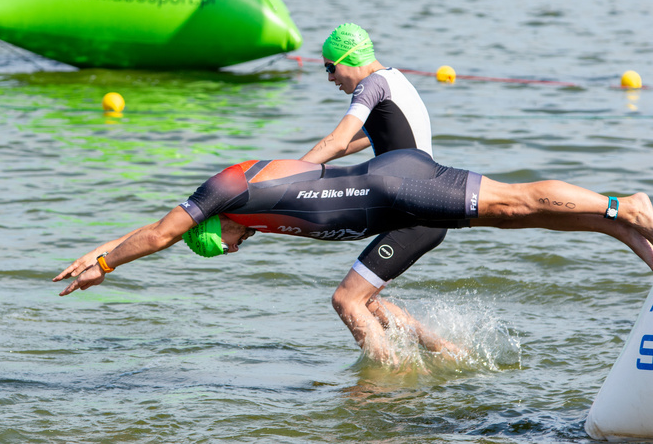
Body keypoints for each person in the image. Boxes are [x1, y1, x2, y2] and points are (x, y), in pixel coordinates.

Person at [54, 148, 653, 362]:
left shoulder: (232, 189)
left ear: (220, 225)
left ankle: (627, 208)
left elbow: (162, 234)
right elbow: (161, 226)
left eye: (223, 244)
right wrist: (97, 250)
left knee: (515, 203)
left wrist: (106, 267)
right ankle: (625, 232)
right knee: (523, 223)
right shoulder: (243, 200)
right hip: (396, 200)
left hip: (396, 188)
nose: (234, 250)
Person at [300, 23, 448, 358]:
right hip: (427, 210)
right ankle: (446, 353)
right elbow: (361, 140)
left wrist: (287, 177)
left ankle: (385, 378)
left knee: (346, 299)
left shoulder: (371, 84)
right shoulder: (395, 80)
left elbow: (337, 140)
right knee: (366, 300)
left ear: (348, 58)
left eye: (329, 67)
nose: (329, 78)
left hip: (417, 214)